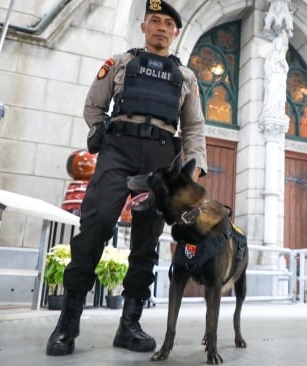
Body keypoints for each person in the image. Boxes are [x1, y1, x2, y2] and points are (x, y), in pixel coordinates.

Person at [46, 0, 207, 356]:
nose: (161, 27)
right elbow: (93, 106)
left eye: (168, 23)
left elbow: (194, 126)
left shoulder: (186, 77)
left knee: (146, 241)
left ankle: (130, 324)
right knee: (96, 226)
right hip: (118, 151)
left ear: (175, 32)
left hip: (161, 160)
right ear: (144, 26)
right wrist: (100, 130)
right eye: (155, 21)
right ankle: (67, 324)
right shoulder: (120, 63)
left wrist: (193, 170)